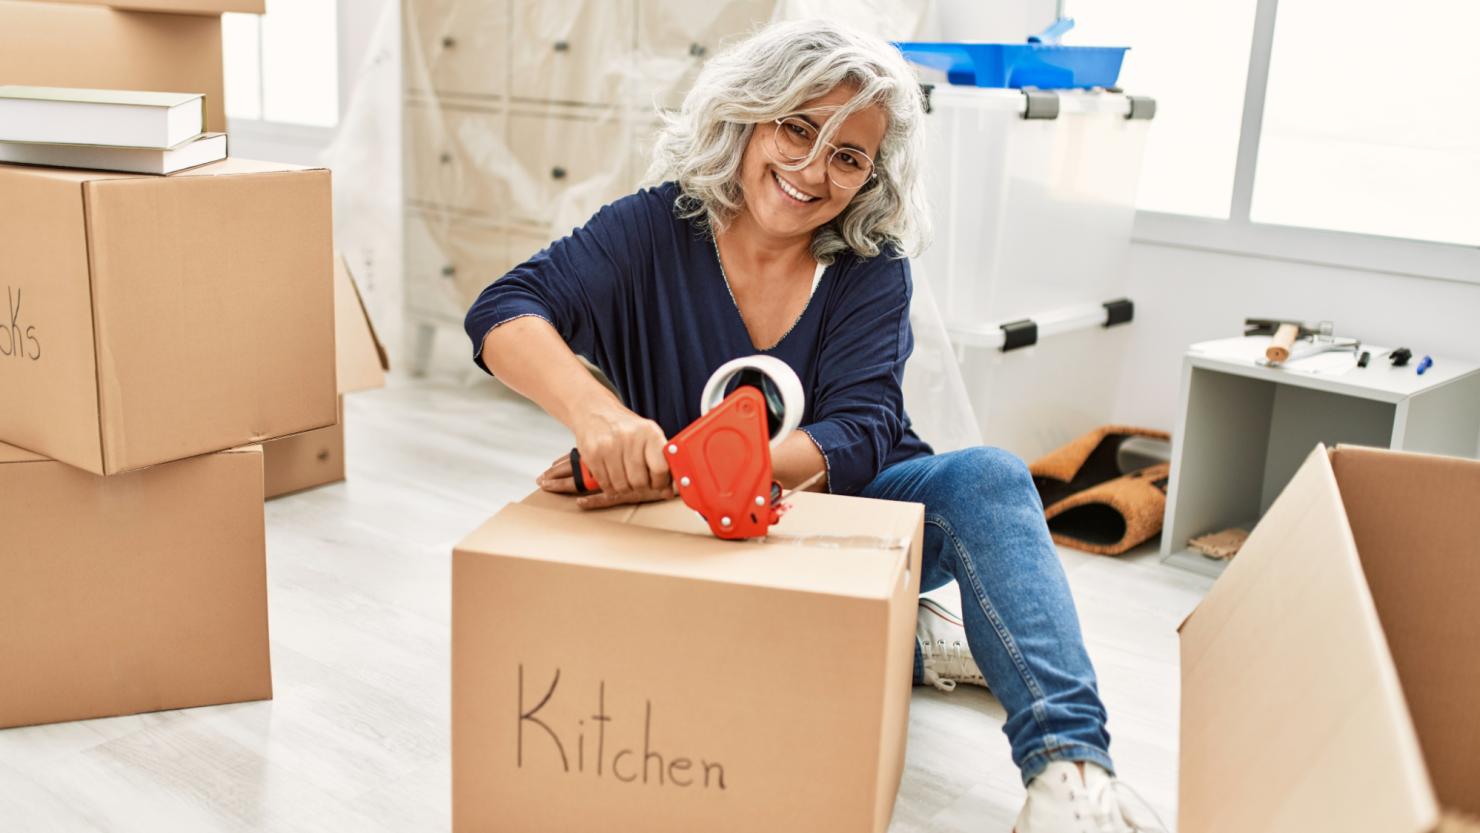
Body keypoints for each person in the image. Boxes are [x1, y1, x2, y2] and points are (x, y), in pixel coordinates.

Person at [465, 18, 1153, 833]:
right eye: (798, 128)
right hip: (704, 533)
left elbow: (860, 434)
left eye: (848, 156)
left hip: (860, 512)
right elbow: (502, 310)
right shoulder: (651, 228)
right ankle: (918, 642)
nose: (812, 170)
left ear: (869, 178)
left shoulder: (871, 267)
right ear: (750, 114)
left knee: (991, 477)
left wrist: (683, 463)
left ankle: (1072, 781)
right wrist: (601, 418)